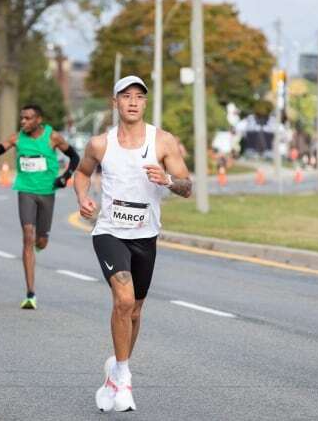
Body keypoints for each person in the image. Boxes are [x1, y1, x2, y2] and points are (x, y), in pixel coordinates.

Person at [74, 76, 191, 412]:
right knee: (123, 299)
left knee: (135, 310)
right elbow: (81, 174)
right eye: (126, 97)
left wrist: (167, 180)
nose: (133, 102)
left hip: (145, 235)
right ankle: (124, 377)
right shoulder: (100, 143)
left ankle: (115, 370)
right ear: (115, 103)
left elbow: (187, 186)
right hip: (109, 231)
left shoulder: (163, 142)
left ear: (144, 103)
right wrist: (83, 198)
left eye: (139, 97)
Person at [0, 104, 80, 309]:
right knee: (28, 236)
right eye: (22, 118)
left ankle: (40, 242)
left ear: (38, 120)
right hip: (25, 190)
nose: (23, 122)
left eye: (28, 118)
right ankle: (30, 293)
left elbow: (74, 156)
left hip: (47, 192)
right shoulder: (17, 138)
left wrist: (65, 177)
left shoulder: (52, 137)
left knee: (41, 241)